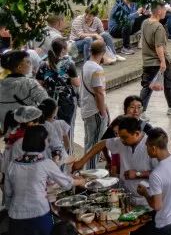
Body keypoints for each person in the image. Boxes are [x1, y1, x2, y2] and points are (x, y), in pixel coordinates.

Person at [3, 125, 80, 235]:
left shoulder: (13, 164)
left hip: (16, 216)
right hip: (39, 214)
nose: (48, 142)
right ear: (41, 142)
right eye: (46, 139)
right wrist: (81, 181)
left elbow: (8, 192)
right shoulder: (45, 163)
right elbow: (67, 184)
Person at [135, 127, 171, 235]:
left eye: (147, 147)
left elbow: (157, 206)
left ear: (154, 149)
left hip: (167, 224)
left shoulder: (156, 174)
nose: (146, 150)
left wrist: (145, 193)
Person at [138, 2, 171, 115]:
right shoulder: (158, 27)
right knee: (169, 84)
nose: (166, 12)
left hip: (147, 61)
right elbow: (159, 46)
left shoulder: (145, 23)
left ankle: (140, 110)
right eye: (164, 10)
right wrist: (162, 61)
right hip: (159, 61)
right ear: (159, 11)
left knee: (147, 87)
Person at [80, 39, 110, 167]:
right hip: (95, 111)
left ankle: (87, 169)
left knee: (89, 142)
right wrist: (103, 112)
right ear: (103, 52)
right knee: (95, 145)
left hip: (87, 109)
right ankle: (91, 172)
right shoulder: (97, 69)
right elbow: (99, 93)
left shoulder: (86, 65)